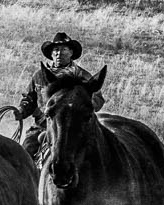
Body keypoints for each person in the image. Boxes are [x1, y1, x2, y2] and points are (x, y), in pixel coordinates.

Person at [14, 31, 104, 159]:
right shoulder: (39, 76)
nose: (58, 53)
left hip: (75, 128)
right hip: (43, 126)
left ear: (71, 53)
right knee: (26, 154)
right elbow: (30, 99)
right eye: (55, 50)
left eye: (63, 49)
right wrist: (21, 110)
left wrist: (80, 109)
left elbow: (97, 99)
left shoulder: (83, 77)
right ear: (51, 54)